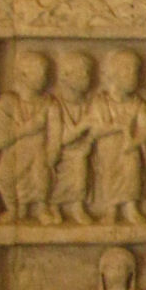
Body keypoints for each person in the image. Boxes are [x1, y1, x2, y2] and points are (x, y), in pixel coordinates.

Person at [89, 49, 146, 225]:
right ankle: (111, 210)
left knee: (132, 175)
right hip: (108, 151)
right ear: (114, 74)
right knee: (109, 176)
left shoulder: (139, 105)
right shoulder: (100, 103)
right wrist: (117, 126)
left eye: (136, 71)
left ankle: (131, 208)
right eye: (128, 70)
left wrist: (135, 142)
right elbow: (94, 130)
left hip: (130, 150)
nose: (134, 76)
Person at [0, 49, 59, 225]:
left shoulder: (48, 103)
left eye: (46, 72)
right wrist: (27, 128)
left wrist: (52, 152)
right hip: (15, 154)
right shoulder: (7, 102)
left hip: (39, 152)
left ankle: (41, 208)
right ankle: (13, 208)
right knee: (4, 176)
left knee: (41, 177)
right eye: (40, 72)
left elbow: (55, 132)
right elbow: (0, 141)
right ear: (23, 75)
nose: (45, 77)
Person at [48, 50, 97, 224]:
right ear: (65, 76)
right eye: (81, 73)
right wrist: (83, 125)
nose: (87, 77)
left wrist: (89, 142)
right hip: (61, 154)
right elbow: (60, 138)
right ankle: (54, 206)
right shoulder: (56, 106)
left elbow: (93, 131)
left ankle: (77, 207)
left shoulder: (86, 104)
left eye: (88, 73)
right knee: (60, 181)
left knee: (81, 178)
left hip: (81, 152)